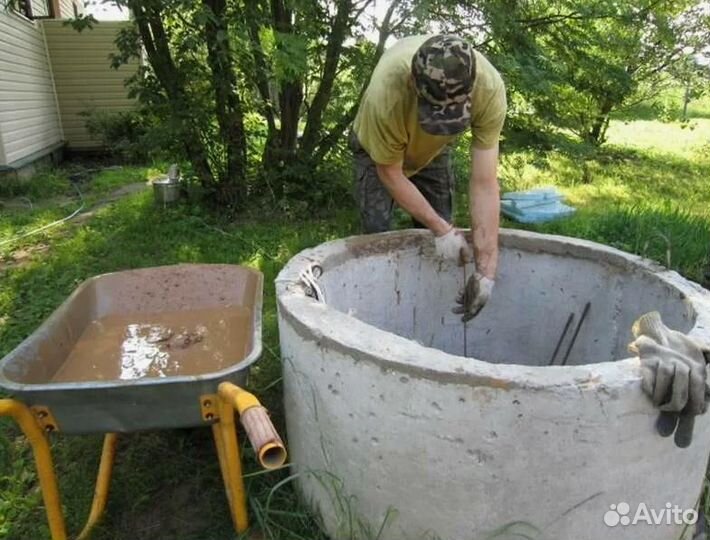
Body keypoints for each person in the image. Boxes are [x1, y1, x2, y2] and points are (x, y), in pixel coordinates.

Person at [351, 34, 506, 321]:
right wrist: (440, 229)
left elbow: (484, 183)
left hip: (433, 153)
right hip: (378, 153)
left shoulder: (489, 89)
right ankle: (379, 314)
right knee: (377, 232)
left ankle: (428, 311)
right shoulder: (387, 92)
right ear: (413, 81)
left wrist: (486, 271)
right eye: (436, 108)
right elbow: (390, 172)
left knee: (445, 239)